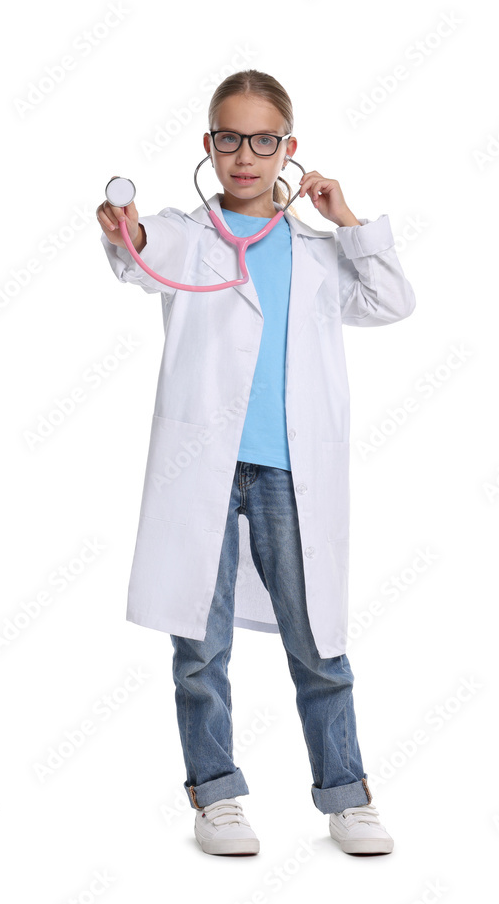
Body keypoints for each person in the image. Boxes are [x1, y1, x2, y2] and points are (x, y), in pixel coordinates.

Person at [96, 69, 416, 857]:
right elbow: (140, 255)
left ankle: (346, 795)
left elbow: (392, 301)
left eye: (263, 140)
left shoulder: (317, 252)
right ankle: (216, 796)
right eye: (230, 138)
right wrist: (125, 228)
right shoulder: (189, 235)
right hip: (202, 467)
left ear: (289, 148)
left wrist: (347, 220)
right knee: (199, 647)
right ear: (208, 146)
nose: (245, 155)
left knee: (319, 642)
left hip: (289, 474)